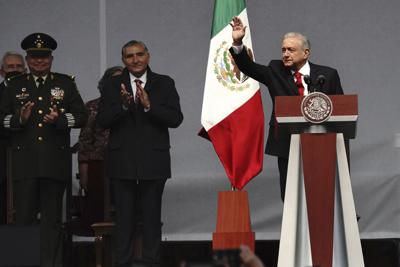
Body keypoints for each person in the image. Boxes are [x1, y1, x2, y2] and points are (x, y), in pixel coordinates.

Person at [229, 17, 344, 201]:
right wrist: (237, 42)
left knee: (322, 195)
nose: (285, 54)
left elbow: (341, 110)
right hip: (287, 143)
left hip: (322, 143)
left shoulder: (328, 75)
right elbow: (247, 67)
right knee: (290, 196)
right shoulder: (276, 71)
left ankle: (323, 228)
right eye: (283, 49)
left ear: (306, 53)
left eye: (291, 49)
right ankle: (294, 230)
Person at [0, 32, 87, 267]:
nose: (40, 61)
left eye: (44, 57)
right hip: (24, 162)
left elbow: (82, 116)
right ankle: (24, 263)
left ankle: (51, 263)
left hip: (54, 162)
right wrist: (19, 118)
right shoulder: (15, 85)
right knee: (24, 219)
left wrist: (59, 120)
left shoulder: (65, 83)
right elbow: (1, 118)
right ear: (27, 60)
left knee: (52, 221)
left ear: (51, 58)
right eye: (35, 57)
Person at [97, 40, 183, 267]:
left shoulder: (164, 83)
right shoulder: (112, 84)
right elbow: (101, 120)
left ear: (148, 56)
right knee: (124, 220)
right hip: (122, 161)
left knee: (152, 219)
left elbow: (176, 119)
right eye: (129, 56)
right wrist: (123, 107)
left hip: (153, 161)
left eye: (139, 54)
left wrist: (149, 106)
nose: (135, 60)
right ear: (123, 60)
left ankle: (151, 263)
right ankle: (123, 264)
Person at [76, 66, 123, 227]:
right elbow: (85, 140)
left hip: (126, 164)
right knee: (99, 210)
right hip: (99, 163)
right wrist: (84, 170)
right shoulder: (93, 106)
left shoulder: (133, 106)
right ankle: (101, 247)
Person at [0, 51, 26, 224]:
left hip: (28, 159)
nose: (15, 69)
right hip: (3, 159)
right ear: (2, 71)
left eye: (18, 66)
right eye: (10, 66)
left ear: (25, 70)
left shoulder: (34, 93)